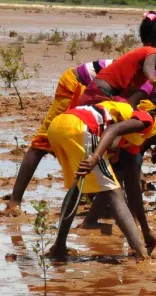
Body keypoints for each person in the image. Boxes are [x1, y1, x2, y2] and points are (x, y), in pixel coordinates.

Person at [46, 99, 156, 260]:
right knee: (114, 193)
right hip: (82, 128)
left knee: (77, 186)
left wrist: (145, 229)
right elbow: (114, 129)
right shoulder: (147, 121)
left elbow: (132, 186)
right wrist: (96, 156)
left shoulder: (133, 136)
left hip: (58, 126)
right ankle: (141, 255)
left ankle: (59, 247)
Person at [9, 59, 110, 207]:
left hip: (99, 92)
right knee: (42, 142)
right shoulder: (147, 75)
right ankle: (14, 201)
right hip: (77, 84)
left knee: (90, 139)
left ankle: (86, 194)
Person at [77, 12, 156, 105]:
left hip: (99, 88)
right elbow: (148, 66)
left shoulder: (142, 51)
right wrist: (153, 78)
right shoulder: (152, 51)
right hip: (104, 91)